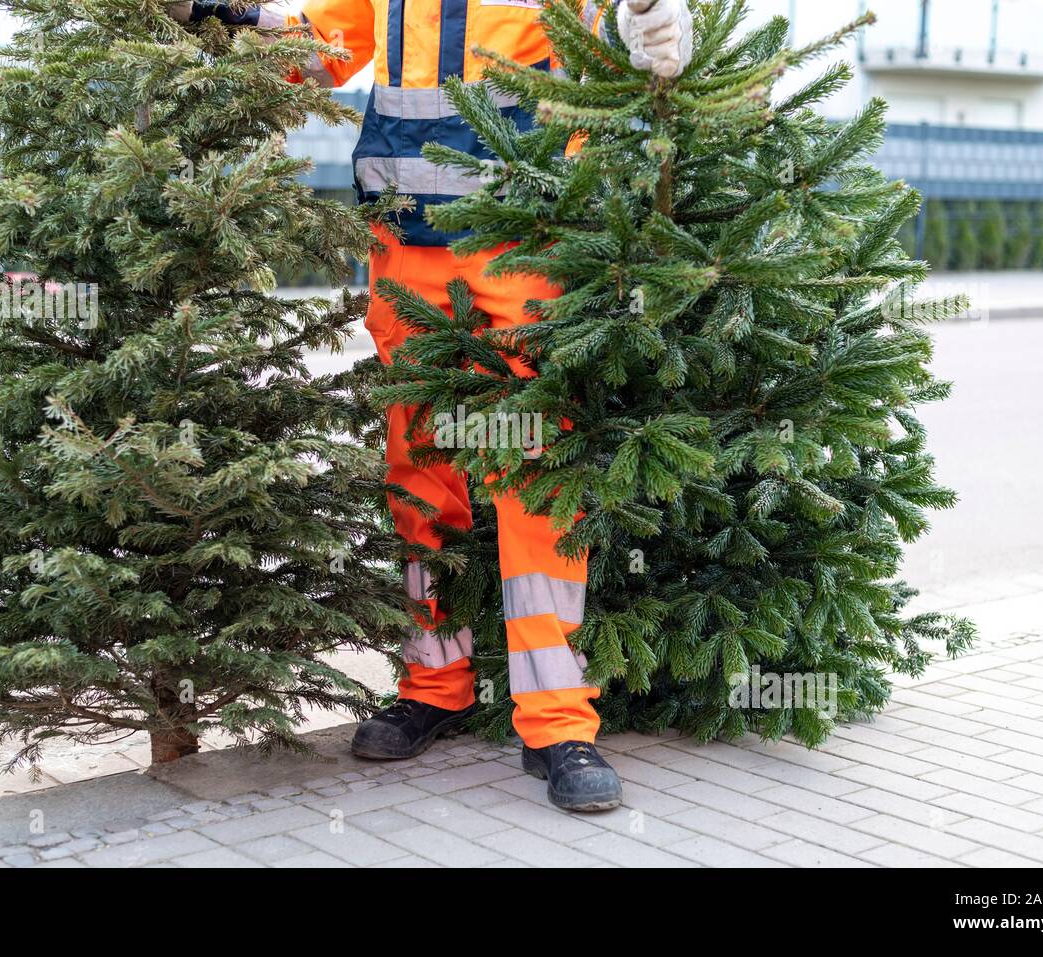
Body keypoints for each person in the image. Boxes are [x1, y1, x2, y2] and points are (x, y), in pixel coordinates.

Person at [167, 0, 692, 811]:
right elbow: (324, 50)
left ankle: (556, 723)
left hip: (524, 241)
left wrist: (655, 31)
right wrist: (230, 18)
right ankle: (434, 682)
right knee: (419, 473)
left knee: (535, 472)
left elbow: (630, 50)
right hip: (404, 243)